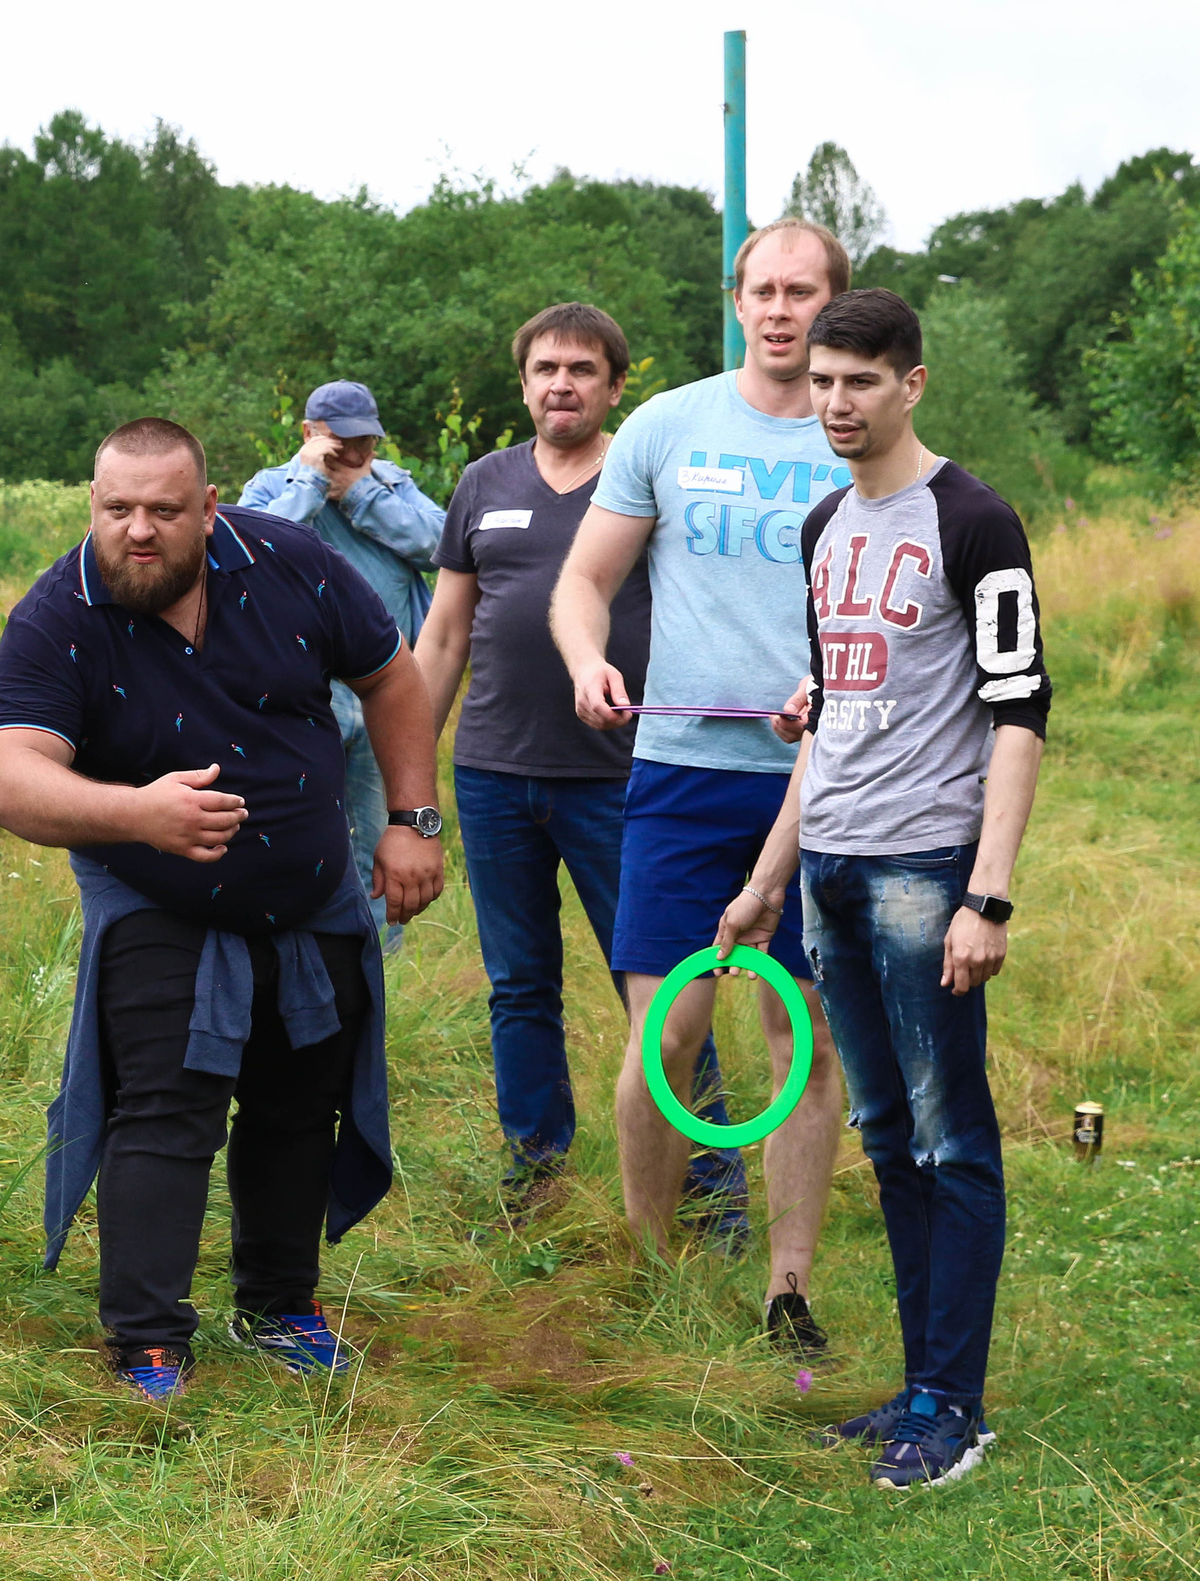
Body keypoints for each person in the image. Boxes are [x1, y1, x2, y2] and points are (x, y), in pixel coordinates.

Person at [0, 418, 446, 1400]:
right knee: (166, 1102)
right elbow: (6, 779)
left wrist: (411, 818)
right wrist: (137, 815)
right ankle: (147, 1338)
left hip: (310, 892)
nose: (136, 531)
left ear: (209, 506)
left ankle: (279, 1306)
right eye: (116, 510)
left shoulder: (290, 563)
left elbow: (391, 675)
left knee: (297, 1101)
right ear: (91, 504)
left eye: (160, 510)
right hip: (154, 888)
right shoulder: (59, 611)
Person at [714, 288, 1049, 1487]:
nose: (836, 403)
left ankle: (952, 1410)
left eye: (860, 381)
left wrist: (987, 894)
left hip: (926, 872)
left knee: (951, 1136)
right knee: (887, 1133)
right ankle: (918, 1388)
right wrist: (765, 882)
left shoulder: (974, 521)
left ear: (911, 383)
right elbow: (829, 723)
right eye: (820, 382)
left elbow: (1019, 717)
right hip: (830, 875)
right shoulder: (820, 527)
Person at [548, 219, 851, 1357]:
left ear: (835, 302)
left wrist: (837, 692)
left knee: (803, 1043)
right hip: (679, 776)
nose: (780, 311)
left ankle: (786, 1289)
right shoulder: (666, 425)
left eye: (803, 292)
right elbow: (584, 581)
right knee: (663, 1045)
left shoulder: (858, 434)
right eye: (762, 290)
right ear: (735, 299)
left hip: (823, 787)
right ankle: (647, 1269)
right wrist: (589, 660)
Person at [412, 305, 747, 1219]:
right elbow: (443, 638)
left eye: (583, 369)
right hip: (492, 775)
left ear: (614, 385)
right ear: (522, 382)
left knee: (662, 988)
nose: (562, 383)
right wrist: (409, 780)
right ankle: (536, 1172)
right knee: (519, 986)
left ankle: (711, 1190)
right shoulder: (483, 483)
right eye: (545, 368)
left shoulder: (645, 477)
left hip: (623, 775)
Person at [240, 381, 446, 947]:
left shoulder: (391, 485)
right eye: (341, 442)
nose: (354, 456)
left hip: (389, 693)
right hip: (306, 696)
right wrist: (309, 482)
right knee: (298, 840)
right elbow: (252, 557)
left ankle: (381, 979)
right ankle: (305, 962)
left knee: (389, 843)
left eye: (366, 443)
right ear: (308, 435)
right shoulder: (269, 489)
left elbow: (443, 545)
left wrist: (361, 496)